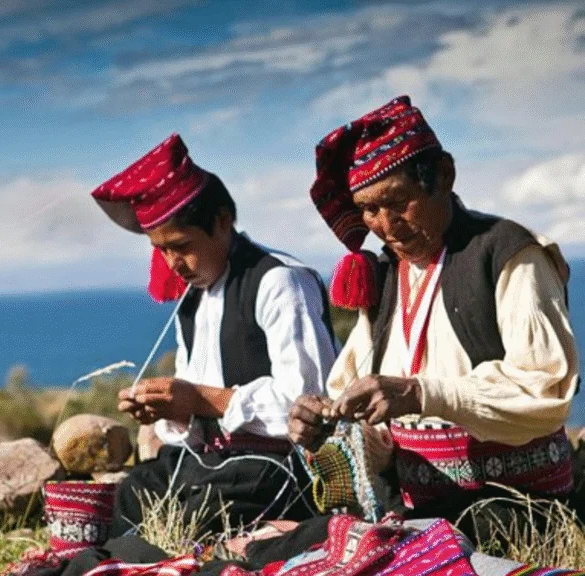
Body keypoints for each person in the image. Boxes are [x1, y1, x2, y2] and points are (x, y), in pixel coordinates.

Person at [287, 95, 579, 532]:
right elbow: (376, 427)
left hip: (516, 509)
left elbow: (545, 392)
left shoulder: (509, 254)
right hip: (419, 512)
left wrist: (422, 393)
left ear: (443, 176)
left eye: (397, 201)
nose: (386, 226)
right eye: (369, 209)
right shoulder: (385, 277)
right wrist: (329, 427)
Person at [89, 134, 339, 537]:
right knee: (135, 492)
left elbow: (311, 404)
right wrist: (169, 410)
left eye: (181, 246)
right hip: (214, 464)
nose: (172, 263)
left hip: (278, 468)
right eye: (161, 250)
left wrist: (203, 399)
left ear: (222, 221)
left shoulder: (280, 282)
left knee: (198, 515)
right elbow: (193, 418)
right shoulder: (192, 301)